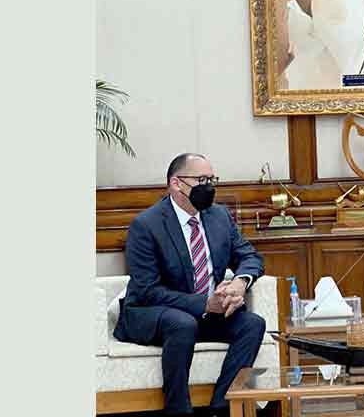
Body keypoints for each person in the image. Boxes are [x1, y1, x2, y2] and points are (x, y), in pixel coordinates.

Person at [113, 153, 265, 416]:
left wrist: (239, 283)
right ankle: (178, 409)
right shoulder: (146, 225)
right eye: (202, 179)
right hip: (151, 312)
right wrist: (205, 303)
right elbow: (148, 290)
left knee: (252, 324)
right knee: (183, 323)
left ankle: (221, 407)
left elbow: (250, 256)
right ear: (176, 184)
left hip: (204, 312)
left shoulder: (219, 217)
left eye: (212, 179)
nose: (209, 187)